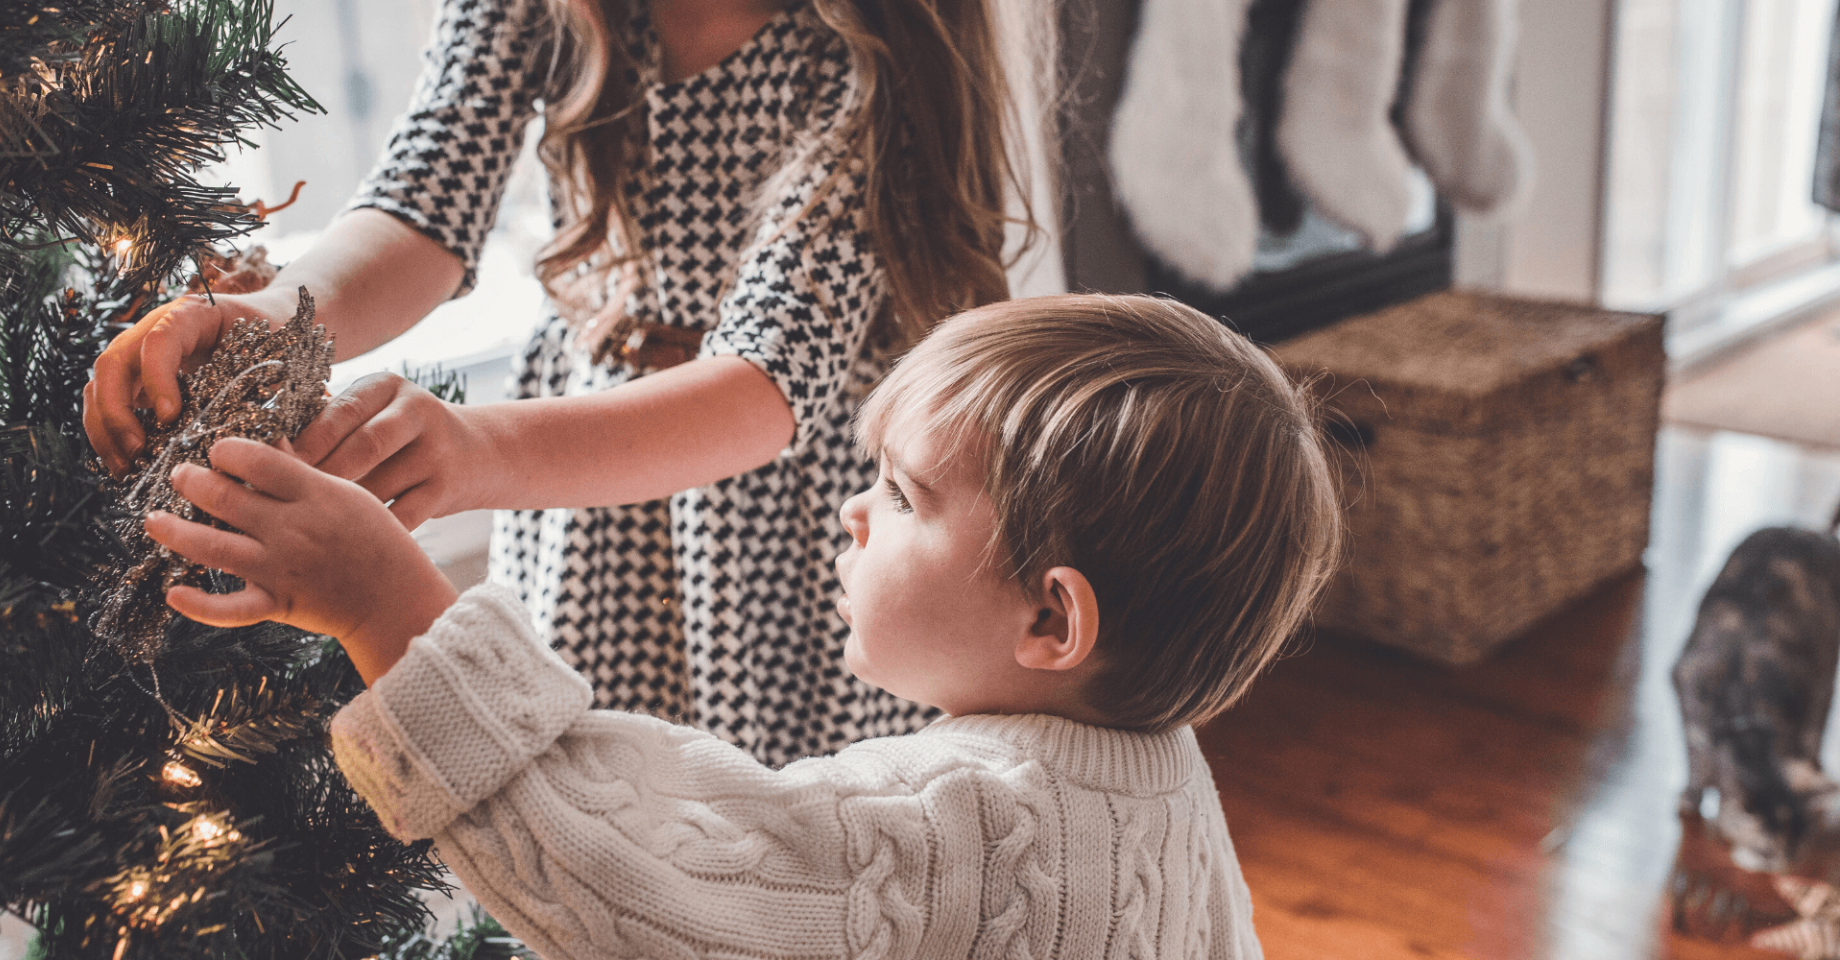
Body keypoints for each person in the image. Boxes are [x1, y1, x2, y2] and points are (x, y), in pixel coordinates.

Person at [144, 293, 1343, 958]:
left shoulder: (959, 827)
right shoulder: (1165, 784)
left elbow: (635, 881)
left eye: (905, 495)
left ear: (1050, 616)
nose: (853, 509)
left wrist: (385, 604)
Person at [83, 0, 1032, 765]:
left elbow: (763, 383)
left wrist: (474, 448)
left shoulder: (873, 44)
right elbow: (422, 205)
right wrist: (274, 316)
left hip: (784, 513)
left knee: (764, 845)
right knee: (594, 824)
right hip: (587, 496)